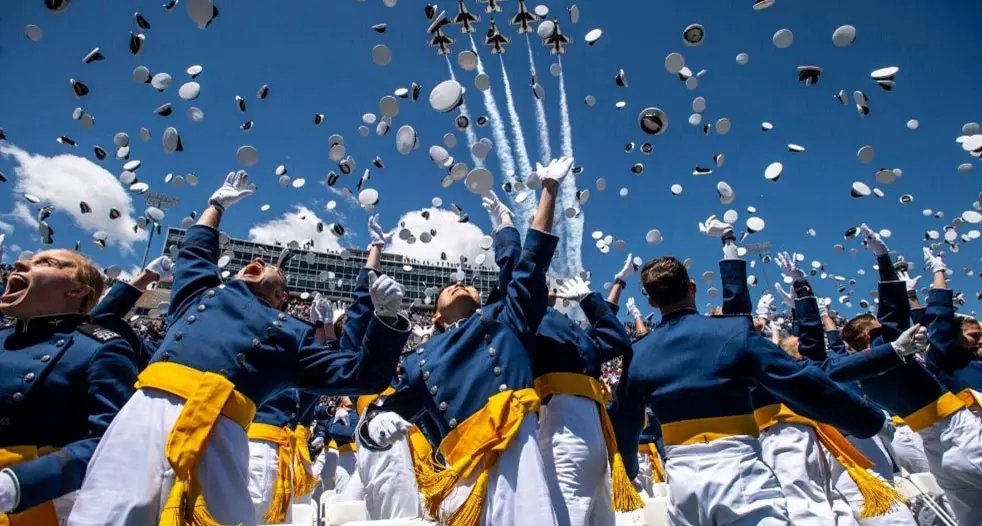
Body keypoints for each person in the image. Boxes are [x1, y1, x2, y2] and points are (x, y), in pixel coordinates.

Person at [68, 170, 412, 526]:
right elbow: (196, 253)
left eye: (274, 276)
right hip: (140, 420)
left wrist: (383, 317)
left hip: (219, 437)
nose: (262, 263)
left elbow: (357, 372)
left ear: (281, 299)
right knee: (104, 514)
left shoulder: (292, 334)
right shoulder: (199, 296)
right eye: (260, 263)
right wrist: (215, 206)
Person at [358, 157, 571, 526]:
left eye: (467, 284)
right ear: (436, 317)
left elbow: (530, 264)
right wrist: (375, 425)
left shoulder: (504, 320)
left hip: (519, 461)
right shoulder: (418, 359)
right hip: (461, 480)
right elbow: (384, 412)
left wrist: (548, 191)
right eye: (448, 288)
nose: (458, 284)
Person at [611, 248, 887, 525]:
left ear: (650, 300)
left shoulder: (638, 353)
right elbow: (801, 383)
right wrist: (865, 419)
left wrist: (628, 469)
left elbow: (626, 421)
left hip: (681, 479)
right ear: (692, 287)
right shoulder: (732, 332)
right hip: (737, 469)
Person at [483, 191, 641, 526]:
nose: (548, 284)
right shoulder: (525, 321)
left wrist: (589, 299)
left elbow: (615, 340)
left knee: (600, 519)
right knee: (566, 515)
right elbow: (517, 272)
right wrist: (506, 226)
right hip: (562, 429)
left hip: (596, 431)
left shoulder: (569, 327)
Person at [0, 249, 139, 524]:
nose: (21, 263)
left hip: (30, 505)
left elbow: (112, 442)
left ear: (77, 291)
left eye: (47, 263)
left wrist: (18, 484)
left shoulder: (102, 348)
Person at [89, 255, 174, 370]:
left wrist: (144, 279)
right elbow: (98, 323)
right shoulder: (158, 351)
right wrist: (144, 279)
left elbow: (98, 321)